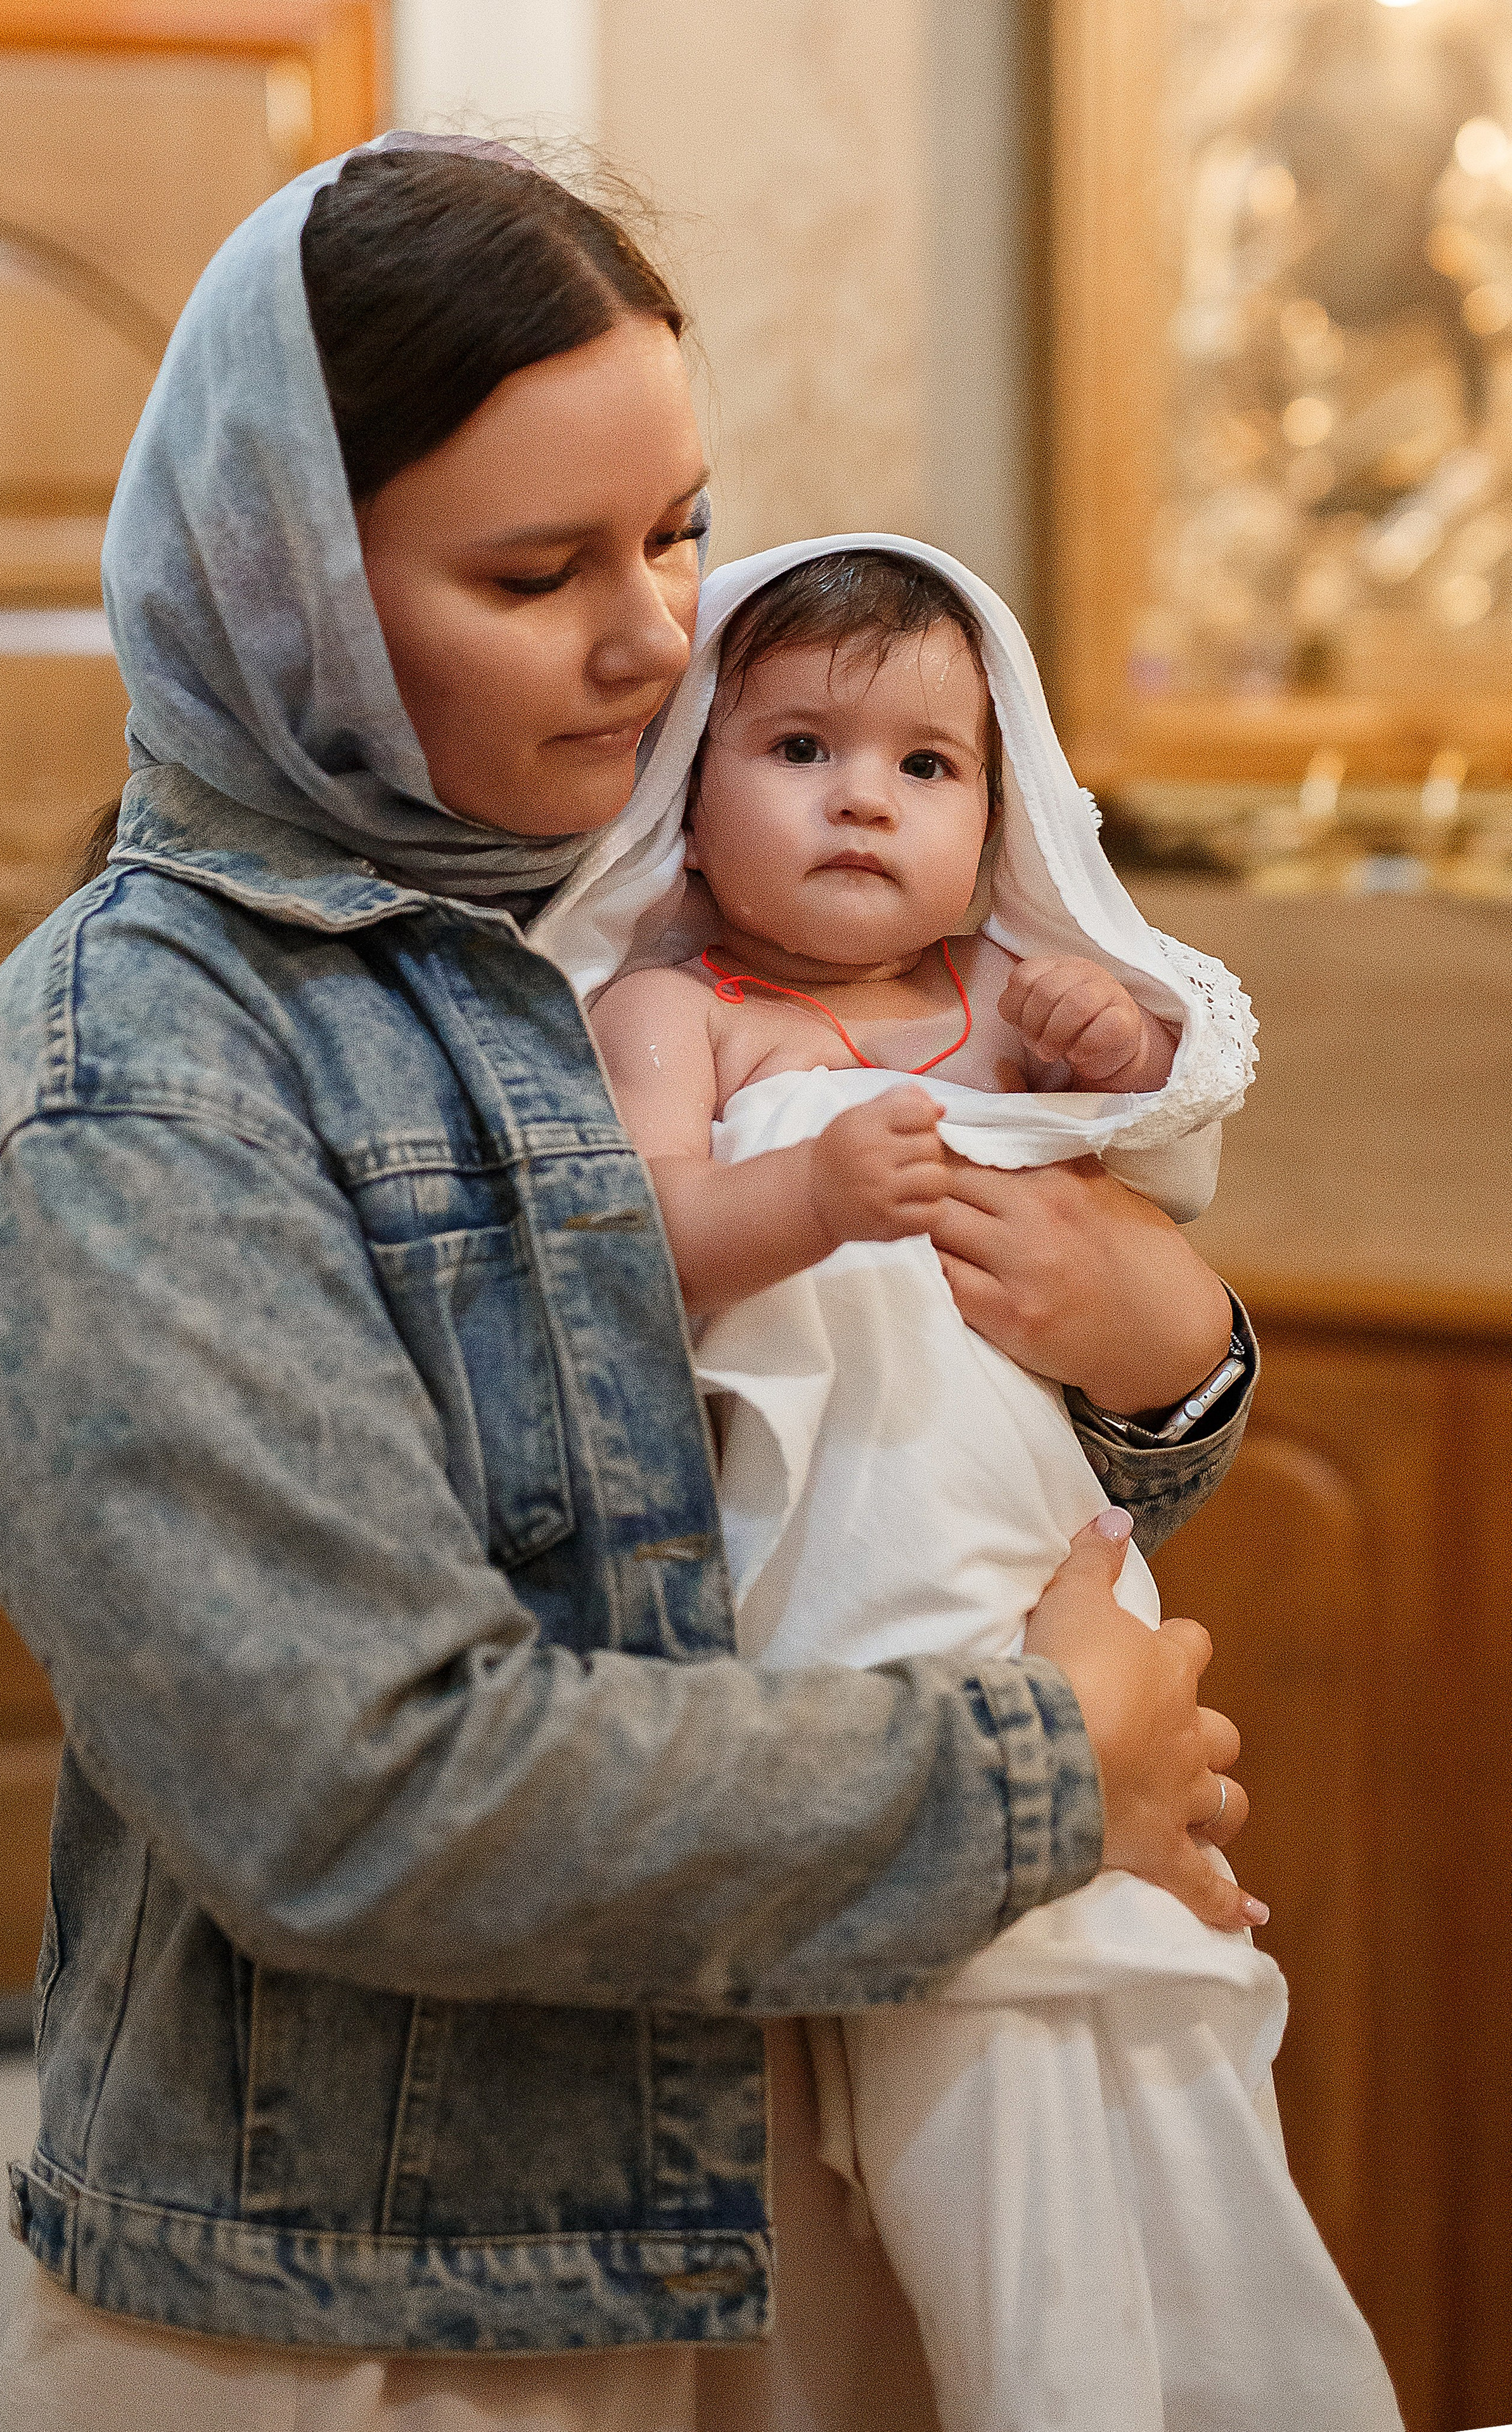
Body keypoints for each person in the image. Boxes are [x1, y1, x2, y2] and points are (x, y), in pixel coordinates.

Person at [0, 138, 1255, 2429]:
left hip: (786, 2160)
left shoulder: (606, 925)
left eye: (677, 529)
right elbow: (364, 1787)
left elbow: (824, 1489)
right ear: (289, 592)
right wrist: (1048, 1770)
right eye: (539, 570)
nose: (660, 637)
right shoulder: (138, 1083)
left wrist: (1172, 1362)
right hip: (391, 2313)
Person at [591, 539, 1404, 2432]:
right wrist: (804, 1188)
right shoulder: (677, 1014)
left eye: (927, 766)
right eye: (797, 745)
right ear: (692, 806)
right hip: (840, 1613)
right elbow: (632, 1248)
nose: (864, 793)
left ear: (1001, 806)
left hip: (1055, 1575)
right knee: (965, 2111)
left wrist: (1117, 1042)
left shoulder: (998, 993)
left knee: (1154, 2057)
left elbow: (1150, 1149)